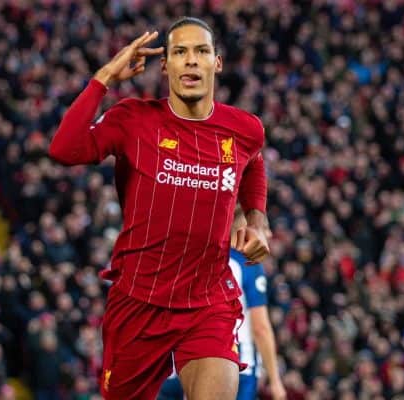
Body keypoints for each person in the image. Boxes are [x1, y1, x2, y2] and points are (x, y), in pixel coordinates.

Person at [49, 17, 269, 400]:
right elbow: (64, 149)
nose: (191, 61)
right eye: (179, 52)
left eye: (201, 51)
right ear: (164, 65)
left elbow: (254, 163)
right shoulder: (134, 119)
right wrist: (103, 78)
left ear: (216, 62)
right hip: (139, 302)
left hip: (208, 300)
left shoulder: (244, 129)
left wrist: (257, 217)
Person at [158, 207, 287, 400]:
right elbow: (260, 328)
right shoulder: (247, 266)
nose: (268, 234)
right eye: (264, 227)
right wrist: (276, 381)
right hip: (237, 362)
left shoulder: (199, 258)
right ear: (245, 229)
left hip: (193, 358)